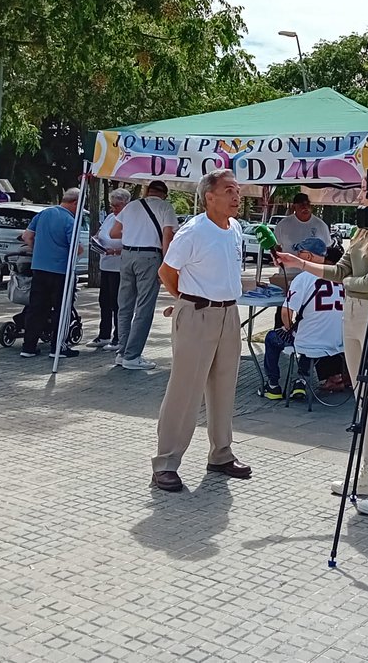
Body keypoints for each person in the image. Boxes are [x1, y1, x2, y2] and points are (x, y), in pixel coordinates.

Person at [276, 169, 368, 517]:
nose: (361, 191)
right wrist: (301, 263)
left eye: (367, 187)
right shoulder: (362, 230)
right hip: (351, 316)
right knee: (363, 400)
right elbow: (340, 271)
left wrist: (347, 281)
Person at [151, 170, 251, 492]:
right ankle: (166, 462)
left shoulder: (235, 228)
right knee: (185, 391)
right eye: (229, 190)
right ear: (210, 196)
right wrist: (185, 300)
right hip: (197, 313)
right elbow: (166, 271)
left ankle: (221, 453)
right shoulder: (193, 230)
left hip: (228, 313)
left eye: (237, 190)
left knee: (224, 388)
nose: (237, 196)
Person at [262, 238, 345, 400]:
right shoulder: (339, 277)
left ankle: (273, 386)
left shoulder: (302, 279)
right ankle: (300, 381)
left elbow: (286, 314)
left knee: (274, 338)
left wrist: (288, 327)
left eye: (300, 253)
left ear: (308, 257)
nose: (297, 255)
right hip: (336, 342)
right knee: (306, 330)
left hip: (308, 342)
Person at [110, 179, 177, 371]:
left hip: (127, 255)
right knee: (144, 308)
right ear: (164, 193)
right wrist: (166, 266)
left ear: (147, 191)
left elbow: (114, 232)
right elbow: (167, 237)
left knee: (125, 306)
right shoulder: (165, 207)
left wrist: (134, 232)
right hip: (149, 257)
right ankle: (133, 355)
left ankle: (122, 352)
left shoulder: (130, 206)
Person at [20, 188, 81, 360]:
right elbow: (76, 248)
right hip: (61, 271)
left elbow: (27, 236)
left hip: (39, 267)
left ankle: (29, 347)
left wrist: (38, 251)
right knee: (61, 309)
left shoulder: (43, 214)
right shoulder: (69, 220)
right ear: (75, 203)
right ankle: (58, 347)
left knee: (36, 308)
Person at [89, 188, 130, 350]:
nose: (113, 208)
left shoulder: (130, 220)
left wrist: (116, 251)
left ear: (126, 204)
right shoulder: (110, 217)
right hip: (105, 264)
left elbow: (132, 243)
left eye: (117, 205)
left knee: (117, 303)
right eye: (112, 205)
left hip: (119, 266)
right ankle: (103, 334)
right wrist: (96, 241)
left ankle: (119, 337)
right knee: (104, 301)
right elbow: (99, 234)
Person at [274, 193, 331, 279]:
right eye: (301, 205)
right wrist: (278, 259)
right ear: (294, 207)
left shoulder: (321, 225)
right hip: (289, 273)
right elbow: (276, 246)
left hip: (313, 274)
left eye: (307, 204)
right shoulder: (283, 225)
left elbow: (327, 249)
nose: (305, 207)